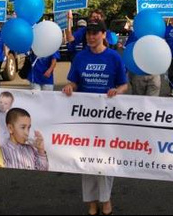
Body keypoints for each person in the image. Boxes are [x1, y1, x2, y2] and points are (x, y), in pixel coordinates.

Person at [62, 21, 128, 216]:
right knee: (86, 160)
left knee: (106, 160)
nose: (91, 37)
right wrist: (69, 88)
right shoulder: (80, 57)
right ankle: (91, 202)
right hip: (84, 119)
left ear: (103, 34)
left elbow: (124, 85)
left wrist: (117, 90)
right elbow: (73, 82)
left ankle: (106, 199)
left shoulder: (114, 57)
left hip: (107, 119)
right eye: (88, 34)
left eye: (95, 33)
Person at [124, 30, 161, 96]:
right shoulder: (157, 33)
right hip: (144, 73)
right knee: (148, 102)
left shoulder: (135, 33)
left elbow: (128, 52)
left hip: (145, 73)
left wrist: (125, 70)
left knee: (140, 102)